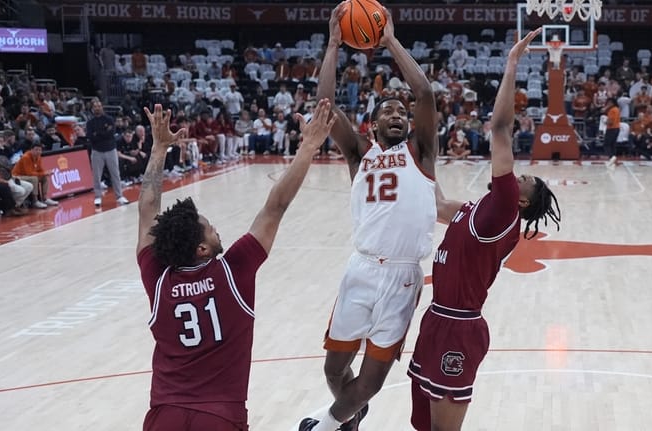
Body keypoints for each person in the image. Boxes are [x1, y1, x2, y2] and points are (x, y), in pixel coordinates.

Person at [137, 100, 336, 431]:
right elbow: (276, 206)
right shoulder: (232, 271)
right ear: (202, 249)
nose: (217, 229)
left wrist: (158, 149)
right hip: (219, 416)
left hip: (164, 415)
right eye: (210, 228)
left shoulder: (156, 277)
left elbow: (147, 208)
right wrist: (309, 147)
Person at [407, 29, 561, 431]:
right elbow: (438, 204)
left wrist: (511, 65)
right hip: (436, 319)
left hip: (460, 327)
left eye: (526, 178)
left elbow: (499, 130)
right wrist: (420, 153)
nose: (521, 173)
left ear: (523, 200)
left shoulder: (504, 210)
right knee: (420, 424)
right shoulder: (476, 209)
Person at [299, 5, 438, 431]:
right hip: (360, 270)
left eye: (402, 111)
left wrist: (390, 41)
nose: (398, 114)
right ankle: (350, 419)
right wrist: (335, 44)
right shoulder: (360, 154)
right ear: (373, 123)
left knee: (372, 380)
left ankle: (322, 427)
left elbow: (427, 95)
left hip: (401, 276)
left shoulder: (422, 152)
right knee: (333, 372)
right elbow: (325, 106)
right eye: (388, 111)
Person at [86, 99, 129, 207]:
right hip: (97, 151)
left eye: (99, 106)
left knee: (115, 174)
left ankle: (119, 196)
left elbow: (110, 134)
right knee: (97, 176)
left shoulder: (109, 119)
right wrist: (103, 132)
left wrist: (98, 133)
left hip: (110, 149)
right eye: (95, 106)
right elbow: (91, 137)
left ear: (102, 107)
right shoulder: (90, 123)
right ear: (92, 109)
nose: (97, 108)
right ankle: (97, 197)